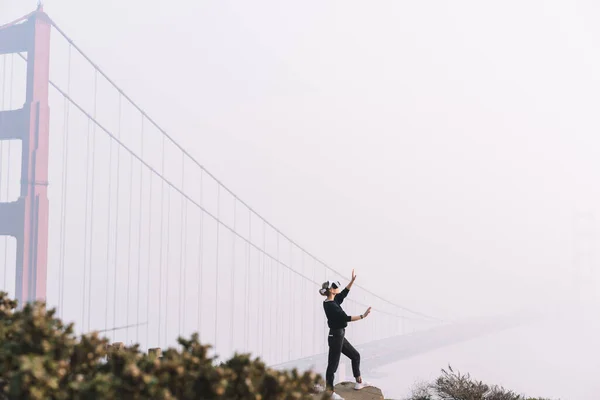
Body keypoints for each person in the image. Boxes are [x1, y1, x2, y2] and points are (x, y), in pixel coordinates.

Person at [319, 269, 372, 400]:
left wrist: (352, 281)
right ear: (331, 290)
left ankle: (359, 382)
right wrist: (363, 316)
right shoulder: (331, 306)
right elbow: (346, 318)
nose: (338, 288)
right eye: (335, 287)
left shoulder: (332, 300)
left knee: (355, 355)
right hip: (335, 336)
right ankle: (329, 393)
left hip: (340, 335)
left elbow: (343, 294)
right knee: (332, 366)